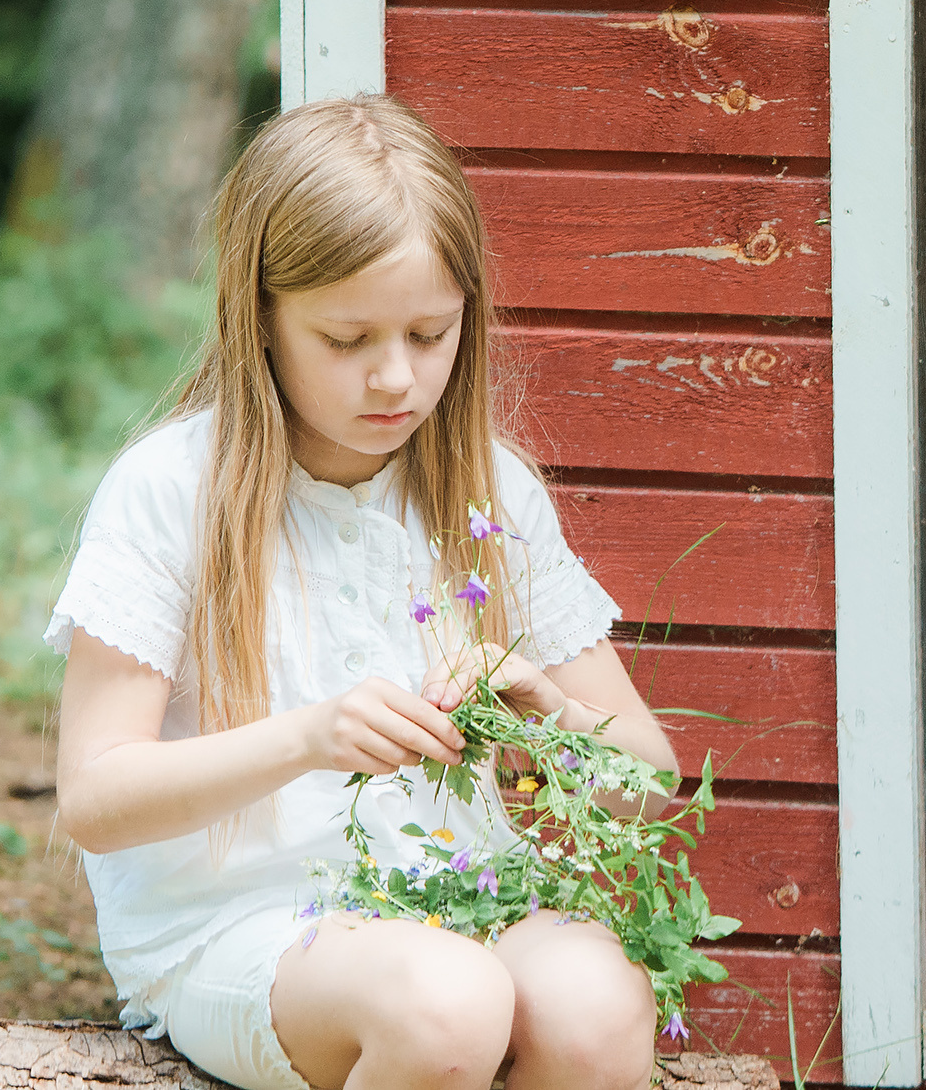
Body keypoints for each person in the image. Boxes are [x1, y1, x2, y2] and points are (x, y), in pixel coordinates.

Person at [50, 96, 677, 1090]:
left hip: (463, 901)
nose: (397, 378)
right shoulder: (172, 491)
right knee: (445, 1005)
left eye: (431, 333)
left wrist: (549, 724)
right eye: (347, 340)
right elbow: (94, 799)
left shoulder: (490, 495)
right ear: (258, 313)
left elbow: (649, 778)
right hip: (239, 928)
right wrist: (306, 737)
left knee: (597, 1007)